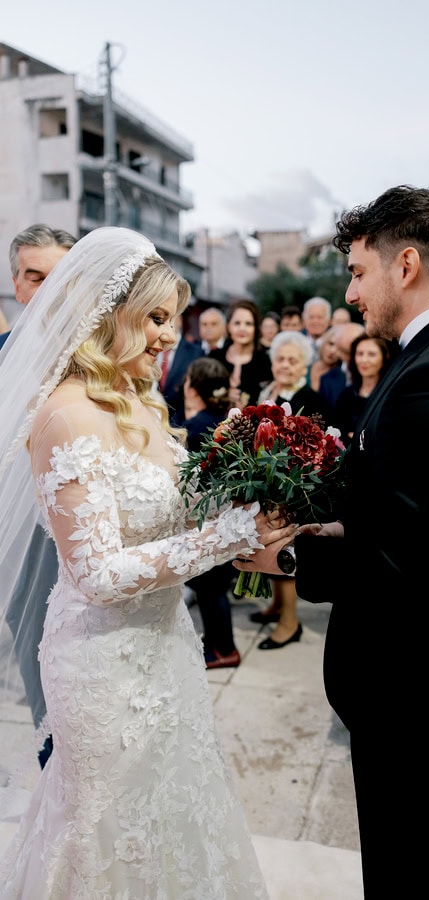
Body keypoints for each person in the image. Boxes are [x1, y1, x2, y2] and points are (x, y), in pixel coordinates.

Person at [234, 184, 429, 898]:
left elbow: (404, 556)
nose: (352, 293)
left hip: (411, 681)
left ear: (407, 264)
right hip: (419, 673)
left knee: (407, 870)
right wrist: (324, 516)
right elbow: (403, 508)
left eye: (359, 272)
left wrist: (288, 556)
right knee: (415, 861)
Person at [0, 226, 294, 897]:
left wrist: (259, 517)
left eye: (174, 320)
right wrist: (226, 536)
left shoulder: (142, 403)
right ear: (107, 317)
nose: (170, 337)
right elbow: (97, 574)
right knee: (104, 831)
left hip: (167, 645)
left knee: (177, 810)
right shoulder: (65, 417)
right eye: (157, 318)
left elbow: (182, 516)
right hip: (101, 666)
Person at [2, 223, 77, 770]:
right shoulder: (3, 355)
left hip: (87, 527)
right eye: (32, 275)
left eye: (56, 276)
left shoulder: (101, 357)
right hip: (23, 539)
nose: (44, 288)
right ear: (16, 283)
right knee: (38, 662)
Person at [251, 330, 333, 649]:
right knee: (264, 548)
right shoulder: (266, 391)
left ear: (304, 365)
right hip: (262, 486)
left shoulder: (311, 400)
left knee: (283, 552)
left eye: (292, 360)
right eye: (280, 359)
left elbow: (319, 448)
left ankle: (290, 623)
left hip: (291, 489)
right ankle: (275, 608)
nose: (284, 365)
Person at [182, 356, 242, 669]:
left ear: (194, 388)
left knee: (210, 589)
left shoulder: (194, 428)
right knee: (213, 587)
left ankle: (225, 649)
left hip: (207, 517)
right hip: (230, 516)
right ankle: (216, 642)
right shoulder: (230, 420)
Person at [0, 223, 77, 350]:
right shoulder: (3, 349)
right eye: (36, 279)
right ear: (18, 289)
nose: (49, 290)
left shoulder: (104, 352)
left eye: (61, 278)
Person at [210, 298, 272, 407]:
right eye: (237, 323)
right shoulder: (214, 358)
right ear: (228, 327)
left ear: (256, 328)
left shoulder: (265, 361)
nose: (242, 328)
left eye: (248, 324)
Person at [333, 332, 392, 447]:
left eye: (371, 354)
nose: (364, 360)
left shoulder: (389, 396)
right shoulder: (347, 395)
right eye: (360, 354)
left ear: (384, 357)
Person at [157, 312, 205, 425]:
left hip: (179, 423)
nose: (168, 322)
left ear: (180, 319)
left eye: (173, 317)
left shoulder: (196, 353)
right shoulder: (147, 347)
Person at [301, 295, 332, 362]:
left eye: (320, 317)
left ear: (328, 320)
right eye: (311, 317)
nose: (315, 321)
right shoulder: (296, 342)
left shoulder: (336, 346)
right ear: (304, 320)